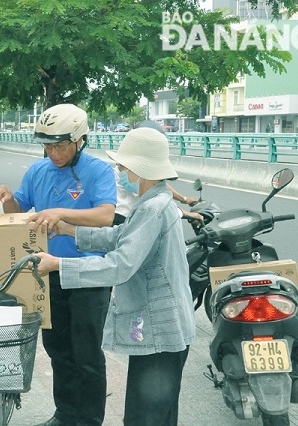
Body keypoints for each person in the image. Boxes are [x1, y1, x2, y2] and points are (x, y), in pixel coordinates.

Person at [34, 127, 196, 426]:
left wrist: (59, 264)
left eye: (124, 167)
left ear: (139, 169)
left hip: (160, 329)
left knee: (143, 418)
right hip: (160, 327)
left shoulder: (153, 209)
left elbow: (119, 265)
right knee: (158, 415)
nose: (121, 173)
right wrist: (69, 230)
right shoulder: (152, 204)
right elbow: (119, 236)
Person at [0, 104, 117, 426]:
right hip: (49, 271)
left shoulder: (98, 171)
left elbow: (105, 215)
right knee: (58, 350)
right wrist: (6, 199)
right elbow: (18, 209)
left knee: (86, 355)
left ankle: (88, 420)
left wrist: (61, 212)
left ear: (80, 140)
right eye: (47, 146)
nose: (53, 153)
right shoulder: (38, 170)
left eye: (60, 146)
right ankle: (66, 414)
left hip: (88, 274)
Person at [112, 120, 200, 225]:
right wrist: (185, 213)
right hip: (125, 220)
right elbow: (158, 202)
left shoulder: (130, 168)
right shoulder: (132, 171)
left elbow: (159, 186)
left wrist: (184, 199)